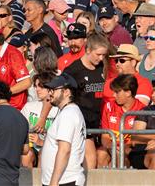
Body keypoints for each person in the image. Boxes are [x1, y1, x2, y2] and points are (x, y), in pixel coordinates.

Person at [63, 33, 109, 169]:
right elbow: (62, 95)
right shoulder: (73, 70)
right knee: (90, 159)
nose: (101, 58)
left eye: (103, 55)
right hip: (81, 122)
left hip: (97, 121)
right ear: (88, 50)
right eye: (98, 54)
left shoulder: (101, 66)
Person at [41, 73, 86, 186]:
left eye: (53, 90)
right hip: (64, 180)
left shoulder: (68, 114)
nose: (49, 93)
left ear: (66, 92)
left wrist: (54, 181)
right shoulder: (68, 112)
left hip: (65, 181)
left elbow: (64, 149)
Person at [98, 74, 146, 167]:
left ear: (128, 93)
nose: (113, 95)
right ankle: (102, 181)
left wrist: (125, 147)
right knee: (101, 154)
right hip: (111, 146)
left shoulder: (142, 110)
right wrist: (111, 146)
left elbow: (137, 140)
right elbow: (105, 137)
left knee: (120, 155)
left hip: (130, 149)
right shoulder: (108, 107)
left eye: (117, 92)